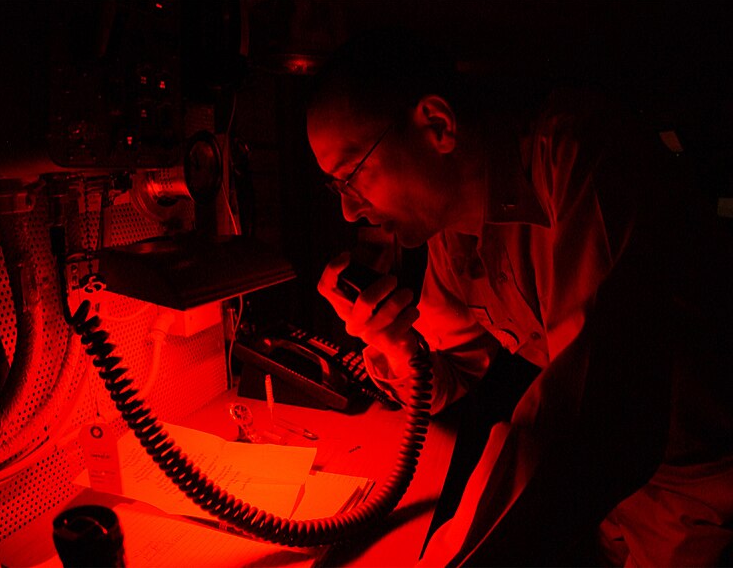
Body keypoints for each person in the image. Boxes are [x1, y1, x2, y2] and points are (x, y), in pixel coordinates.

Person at [309, 29, 733, 566]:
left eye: (351, 176)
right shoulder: (450, 233)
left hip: (696, 489)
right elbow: (458, 374)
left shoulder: (579, 156)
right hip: (610, 504)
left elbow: (594, 413)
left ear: (437, 125)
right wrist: (395, 345)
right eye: (336, 188)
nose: (349, 211)